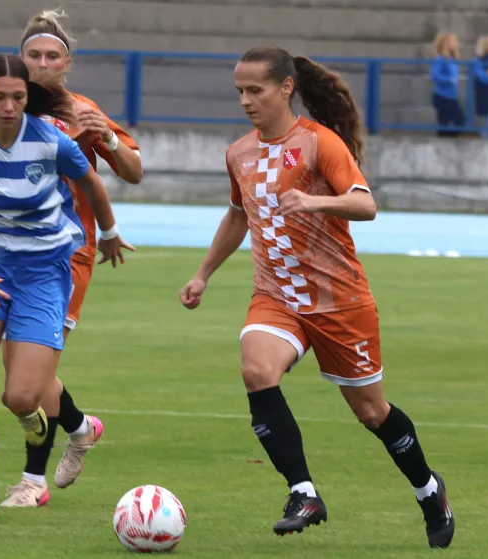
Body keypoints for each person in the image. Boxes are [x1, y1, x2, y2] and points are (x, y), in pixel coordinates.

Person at [178, 44, 455, 549]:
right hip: (277, 297)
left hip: (339, 301)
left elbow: (364, 205)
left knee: (372, 413)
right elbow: (239, 215)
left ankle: (428, 489)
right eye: (239, 91)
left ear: (286, 88)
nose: (245, 100)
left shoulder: (319, 143)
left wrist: (314, 201)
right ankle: (303, 492)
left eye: (255, 90)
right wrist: (203, 275)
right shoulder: (238, 152)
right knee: (257, 370)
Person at [0, 9, 143, 508]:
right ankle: (77, 429)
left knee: (27, 381)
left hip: (67, 253)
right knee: (12, 380)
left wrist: (103, 135)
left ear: (66, 63)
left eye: (51, 56)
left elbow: (131, 171)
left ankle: (34, 479)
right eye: (32, 55)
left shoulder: (78, 114)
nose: (41, 64)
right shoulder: (9, 108)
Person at [430, 31, 466, 138]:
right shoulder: (440, 59)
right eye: (453, 42)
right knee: (444, 123)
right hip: (442, 96)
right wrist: (449, 79)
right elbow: (435, 76)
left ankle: (449, 139)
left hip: (452, 96)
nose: (456, 44)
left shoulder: (452, 60)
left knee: (460, 121)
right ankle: (443, 141)